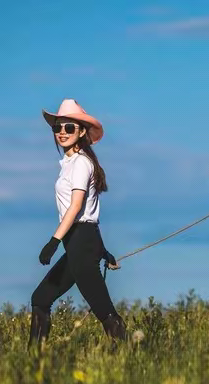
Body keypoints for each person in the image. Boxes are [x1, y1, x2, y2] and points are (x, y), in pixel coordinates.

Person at [28, 99, 127, 349]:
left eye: (68, 127)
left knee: (104, 312)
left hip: (80, 242)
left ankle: (131, 360)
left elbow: (77, 207)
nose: (62, 132)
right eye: (57, 128)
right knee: (40, 298)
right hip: (79, 243)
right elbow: (90, 211)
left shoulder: (81, 162)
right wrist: (102, 251)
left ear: (81, 131)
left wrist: (54, 241)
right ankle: (33, 363)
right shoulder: (70, 164)